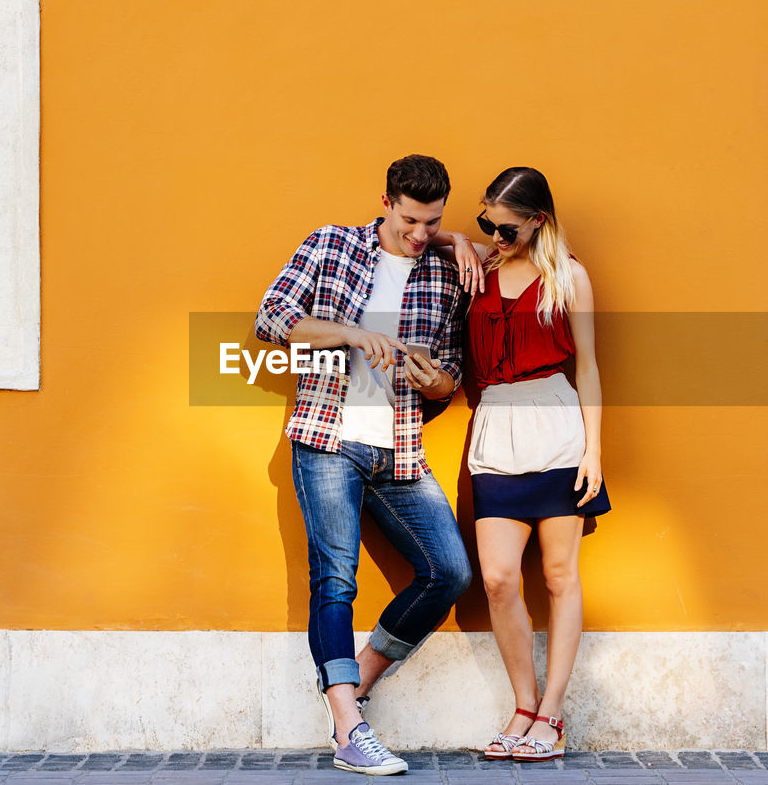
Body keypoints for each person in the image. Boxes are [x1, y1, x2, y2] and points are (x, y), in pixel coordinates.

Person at [254, 154, 472, 776]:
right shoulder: (331, 245)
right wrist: (349, 333)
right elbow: (273, 322)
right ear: (385, 202)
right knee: (336, 577)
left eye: (432, 223)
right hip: (327, 437)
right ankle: (350, 730)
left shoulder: (442, 272)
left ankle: (357, 684)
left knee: (449, 572)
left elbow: (449, 376)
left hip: (399, 447)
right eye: (409, 221)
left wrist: (435, 382)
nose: (420, 235)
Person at [439, 166, 609, 761]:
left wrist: (593, 450)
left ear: (539, 220)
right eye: (486, 220)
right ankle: (522, 704)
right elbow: (422, 235)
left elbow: (587, 366)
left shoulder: (570, 278)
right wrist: (461, 239)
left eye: (504, 226)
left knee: (561, 577)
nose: (494, 232)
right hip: (495, 431)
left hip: (557, 427)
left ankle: (552, 716)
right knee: (498, 578)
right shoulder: (478, 267)